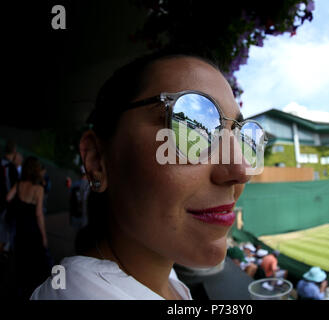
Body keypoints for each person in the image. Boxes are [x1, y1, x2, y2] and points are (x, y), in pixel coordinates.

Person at [31, 50, 266, 300]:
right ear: (97, 159)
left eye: (241, 135)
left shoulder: (160, 277)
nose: (241, 170)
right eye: (193, 123)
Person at [6, 156, 51, 300]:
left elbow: (8, 198)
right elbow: (39, 214)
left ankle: (18, 290)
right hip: (32, 232)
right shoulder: (38, 188)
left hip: (19, 230)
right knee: (34, 266)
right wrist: (44, 237)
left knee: (20, 262)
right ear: (36, 170)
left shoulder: (19, 184)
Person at [0, 139, 19, 255]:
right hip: (5, 206)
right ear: (14, 151)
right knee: (4, 233)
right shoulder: (11, 168)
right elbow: (13, 191)